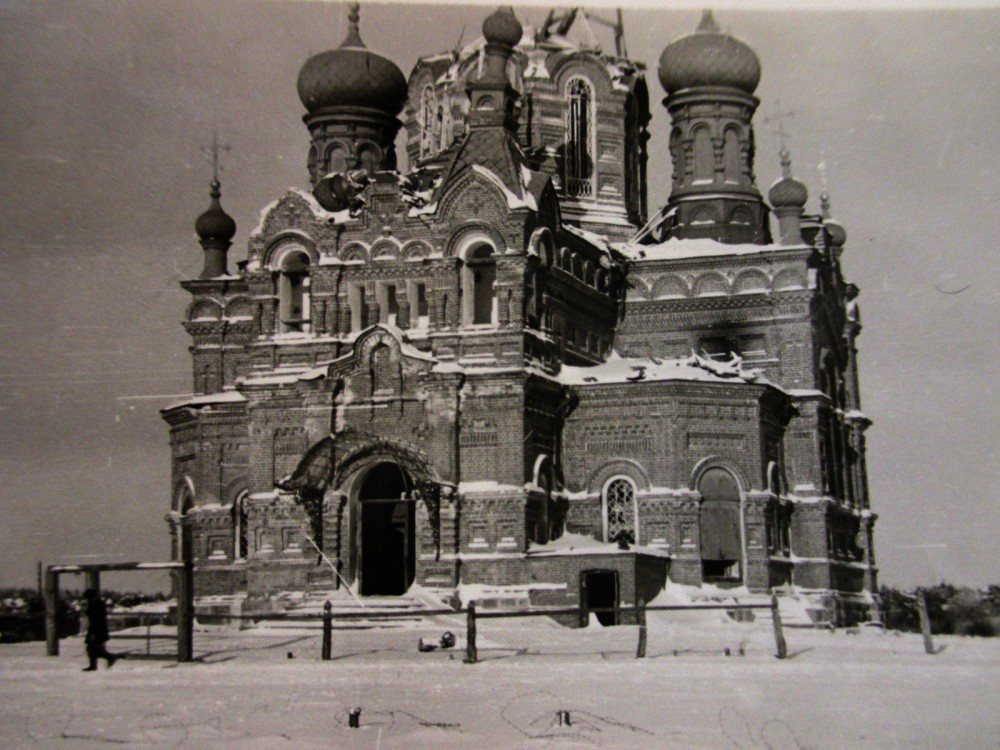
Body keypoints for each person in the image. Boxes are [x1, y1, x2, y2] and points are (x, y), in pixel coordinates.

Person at [81, 589, 118, 671]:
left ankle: (109, 657)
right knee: (94, 648)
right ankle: (106, 659)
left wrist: (93, 633)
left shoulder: (95, 604)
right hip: (99, 629)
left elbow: (95, 618)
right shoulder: (98, 603)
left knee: (92, 648)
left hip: (96, 629)